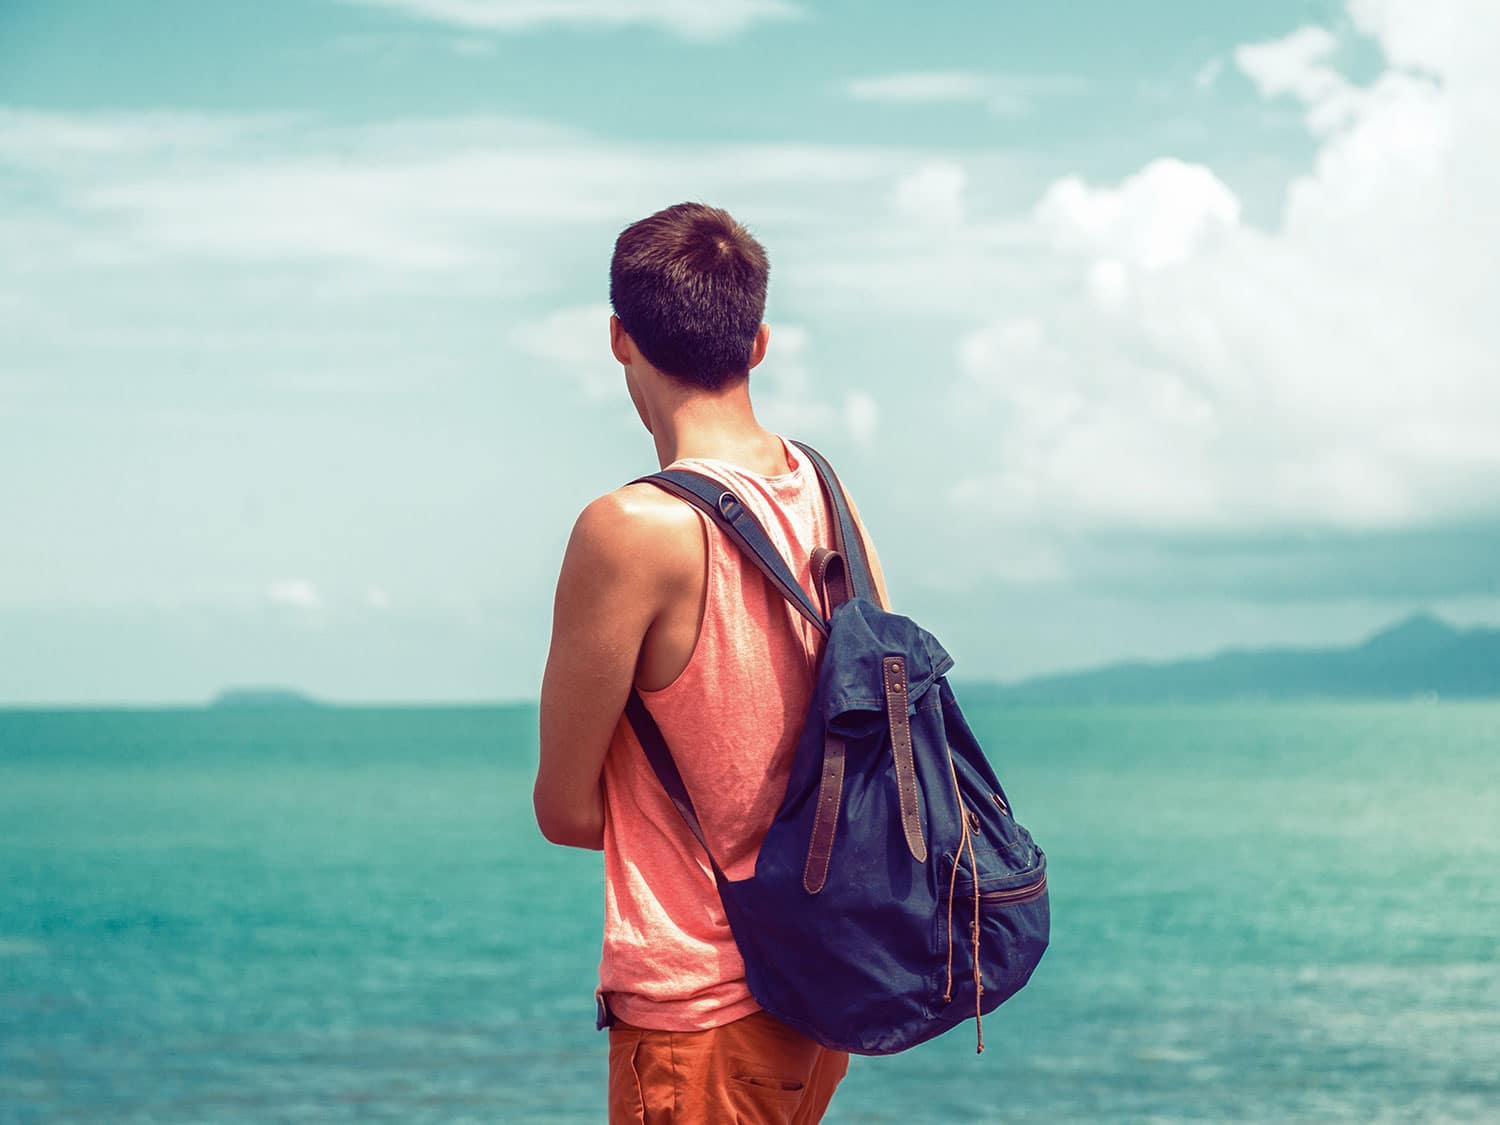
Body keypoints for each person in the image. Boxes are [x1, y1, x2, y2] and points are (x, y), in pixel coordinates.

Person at [534, 201, 892, 1124]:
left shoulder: (629, 531)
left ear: (619, 338)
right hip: (816, 991)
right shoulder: (827, 493)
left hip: (698, 1007)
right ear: (759, 341)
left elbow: (565, 809)